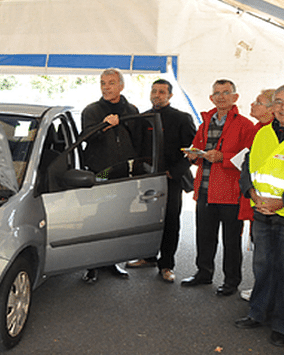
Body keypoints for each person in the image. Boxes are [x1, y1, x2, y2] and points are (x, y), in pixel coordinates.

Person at [235, 84, 284, 347]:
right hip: (261, 213)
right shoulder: (263, 133)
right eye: (279, 102)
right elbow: (248, 165)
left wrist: (282, 202)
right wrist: (250, 192)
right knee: (262, 266)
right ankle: (258, 313)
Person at [181, 79, 255, 296]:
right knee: (204, 237)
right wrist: (194, 155)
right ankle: (203, 273)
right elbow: (197, 148)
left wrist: (224, 157)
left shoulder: (245, 125)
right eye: (217, 93)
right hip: (204, 190)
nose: (221, 97)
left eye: (225, 92)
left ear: (235, 97)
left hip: (231, 193)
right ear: (211, 97)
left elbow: (250, 159)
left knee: (231, 242)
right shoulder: (205, 123)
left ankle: (231, 282)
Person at [125, 79, 196, 283]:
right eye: (154, 91)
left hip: (171, 179)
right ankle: (148, 257)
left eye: (162, 92)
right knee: (148, 220)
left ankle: (167, 265)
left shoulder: (182, 118)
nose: (157, 95)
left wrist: (174, 173)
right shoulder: (143, 118)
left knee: (170, 221)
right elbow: (137, 148)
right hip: (147, 179)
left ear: (170, 96)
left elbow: (191, 149)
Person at [80, 68, 142, 283]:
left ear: (121, 86)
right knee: (98, 215)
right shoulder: (92, 110)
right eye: (103, 83)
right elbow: (86, 137)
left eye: (111, 83)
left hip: (123, 170)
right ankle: (91, 264)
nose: (106, 87)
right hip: (101, 171)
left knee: (119, 217)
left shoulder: (132, 109)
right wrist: (104, 125)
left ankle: (113, 260)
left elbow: (139, 140)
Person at [238, 89, 275, 301]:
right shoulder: (258, 130)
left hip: (280, 206)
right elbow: (248, 164)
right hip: (257, 201)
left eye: (258, 102)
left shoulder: (278, 133)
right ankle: (261, 291)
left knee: (277, 257)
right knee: (261, 253)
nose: (252, 105)